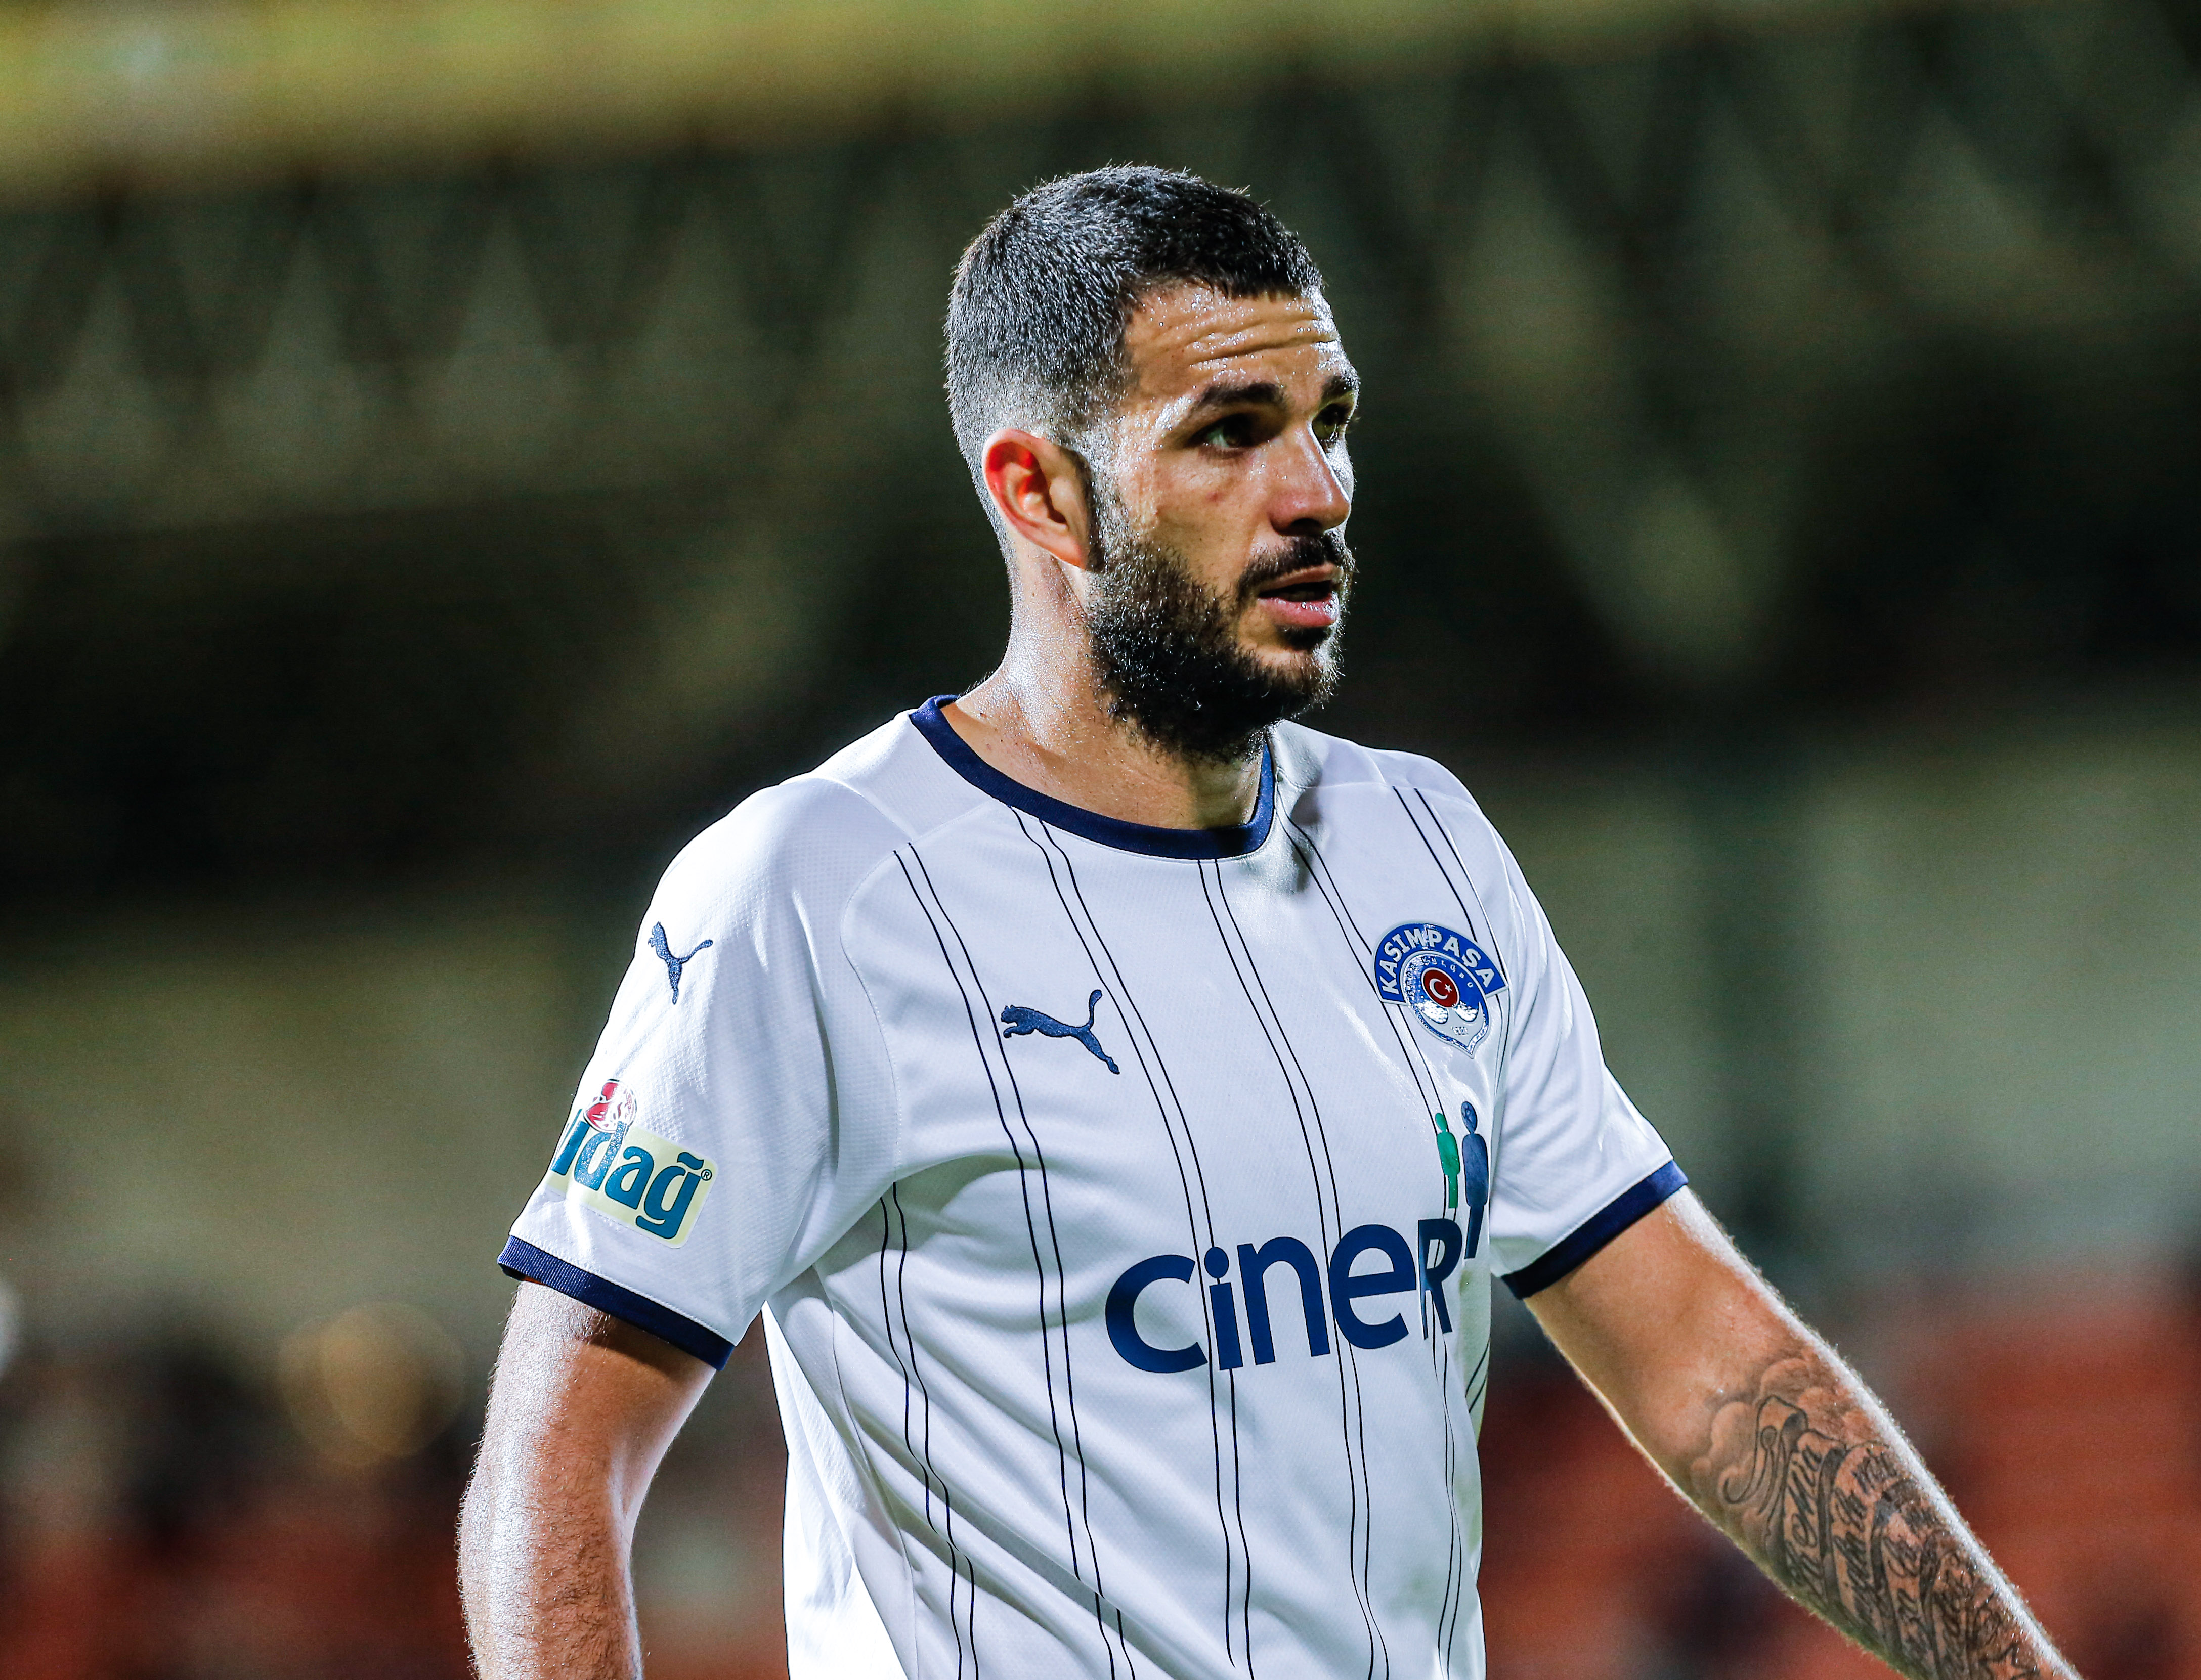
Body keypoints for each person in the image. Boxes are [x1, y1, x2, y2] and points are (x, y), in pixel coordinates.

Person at [458, 166, 2078, 1680]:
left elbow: (1704, 1360)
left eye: (1330, 421)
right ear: (1041, 492)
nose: (1317, 493)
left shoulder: (1423, 846)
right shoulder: (819, 888)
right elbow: (557, 1444)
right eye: (1230, 432)